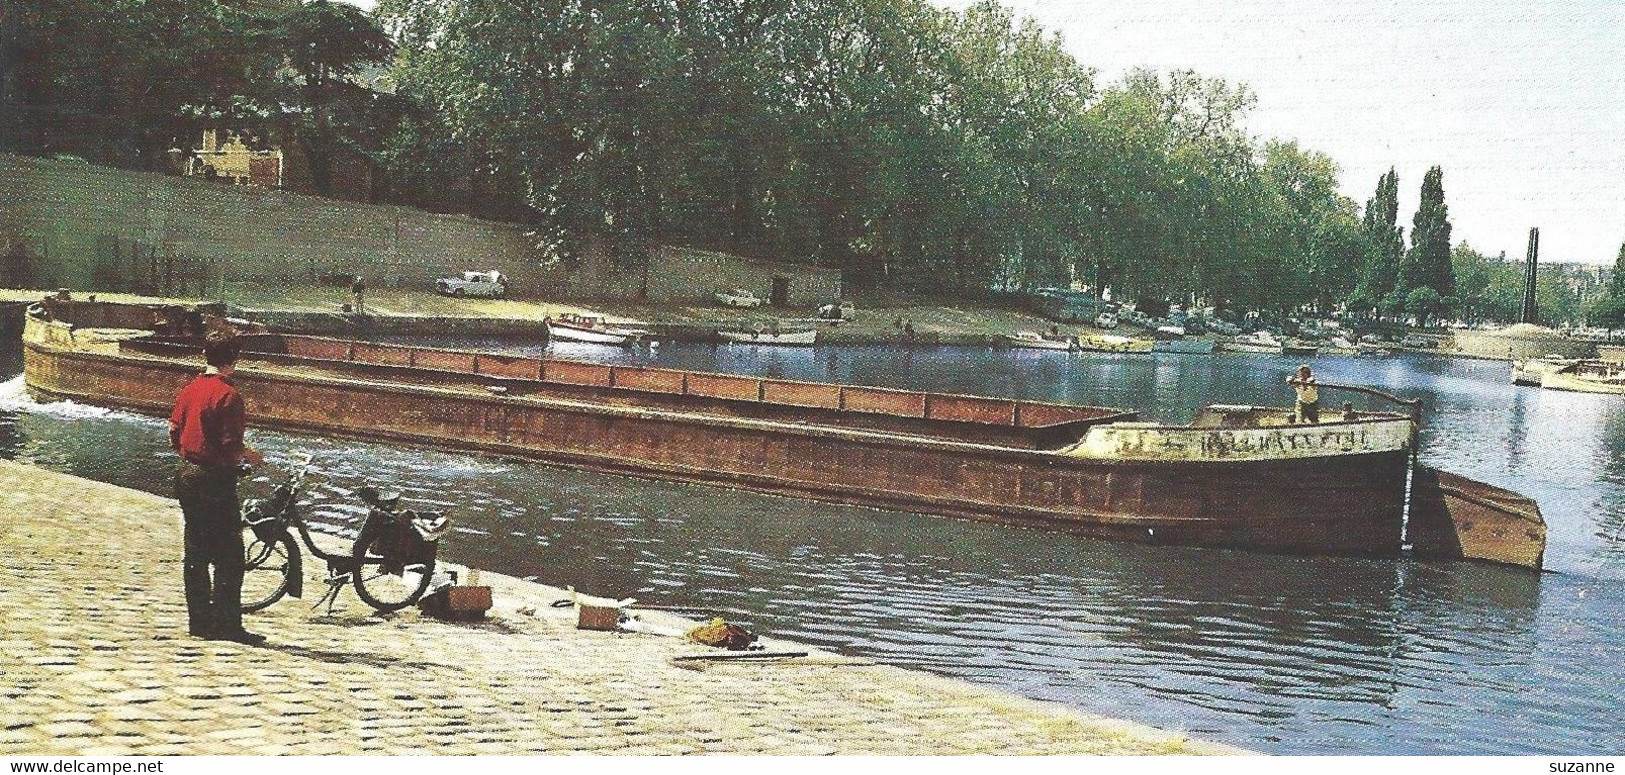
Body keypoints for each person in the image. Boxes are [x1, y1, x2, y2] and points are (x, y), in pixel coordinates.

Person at [170, 330, 265, 644]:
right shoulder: (228, 396)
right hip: (214, 479)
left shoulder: (190, 389)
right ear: (234, 360)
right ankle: (226, 625)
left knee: (195, 550)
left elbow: (174, 431)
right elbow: (230, 444)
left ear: (205, 355)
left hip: (186, 474)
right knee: (229, 554)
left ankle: (199, 623)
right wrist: (250, 457)